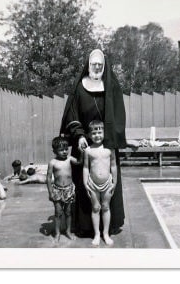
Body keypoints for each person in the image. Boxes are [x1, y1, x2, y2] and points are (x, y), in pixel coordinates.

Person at [60, 48, 127, 237]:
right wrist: (79, 135)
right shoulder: (80, 88)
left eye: (99, 64)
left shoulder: (112, 87)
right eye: (93, 64)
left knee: (108, 186)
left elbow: (119, 115)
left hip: (105, 144)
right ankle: (86, 227)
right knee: (84, 187)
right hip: (84, 144)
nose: (96, 67)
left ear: (104, 66)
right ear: (88, 65)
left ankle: (108, 227)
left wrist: (109, 139)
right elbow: (72, 114)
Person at [83, 120, 117, 246]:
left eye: (100, 132)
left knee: (106, 207)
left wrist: (115, 181)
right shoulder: (88, 150)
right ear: (89, 135)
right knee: (96, 208)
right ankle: (97, 234)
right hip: (92, 183)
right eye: (94, 133)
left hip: (107, 183)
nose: (97, 135)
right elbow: (86, 167)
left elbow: (113, 166)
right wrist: (85, 183)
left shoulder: (109, 149)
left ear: (104, 133)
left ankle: (106, 233)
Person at [46, 136, 82, 242]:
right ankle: (57, 233)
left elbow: (79, 162)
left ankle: (68, 231)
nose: (65, 152)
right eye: (61, 150)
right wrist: (50, 192)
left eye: (66, 149)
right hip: (57, 190)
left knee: (68, 212)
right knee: (58, 212)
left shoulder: (70, 159)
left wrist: (82, 152)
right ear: (54, 151)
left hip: (69, 189)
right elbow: (48, 178)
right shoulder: (52, 162)